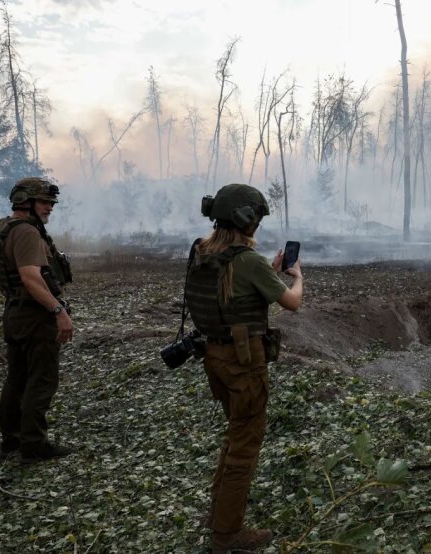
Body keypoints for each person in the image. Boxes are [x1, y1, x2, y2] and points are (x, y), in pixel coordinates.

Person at [184, 183, 303, 553]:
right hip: (243, 363)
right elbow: (292, 303)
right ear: (247, 219)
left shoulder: (202, 252)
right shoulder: (247, 261)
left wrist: (268, 271)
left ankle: (218, 513)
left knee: (235, 433)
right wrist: (296, 277)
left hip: (214, 358)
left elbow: (232, 290)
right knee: (244, 446)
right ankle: (227, 534)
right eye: (258, 218)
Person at [0, 177, 74, 463]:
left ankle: (12, 441)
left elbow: (0, 276)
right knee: (41, 379)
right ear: (26, 201)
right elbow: (31, 277)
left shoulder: (3, 228)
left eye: (51, 202)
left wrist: (15, 298)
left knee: (17, 378)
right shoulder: (26, 232)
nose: (50, 208)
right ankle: (34, 446)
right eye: (45, 202)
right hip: (35, 316)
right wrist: (58, 312)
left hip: (15, 312)